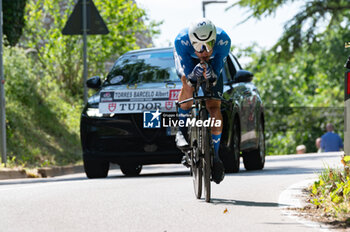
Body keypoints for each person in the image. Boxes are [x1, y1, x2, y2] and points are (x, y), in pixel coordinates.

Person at [173, 18, 231, 184]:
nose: (204, 51)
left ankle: (217, 157)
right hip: (188, 61)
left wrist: (211, 75)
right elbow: (187, 71)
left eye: (207, 46)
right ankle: (181, 131)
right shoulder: (181, 40)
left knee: (214, 106)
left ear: (214, 41)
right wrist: (193, 76)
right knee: (186, 81)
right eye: (198, 46)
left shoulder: (223, 40)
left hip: (214, 63)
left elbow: (218, 68)